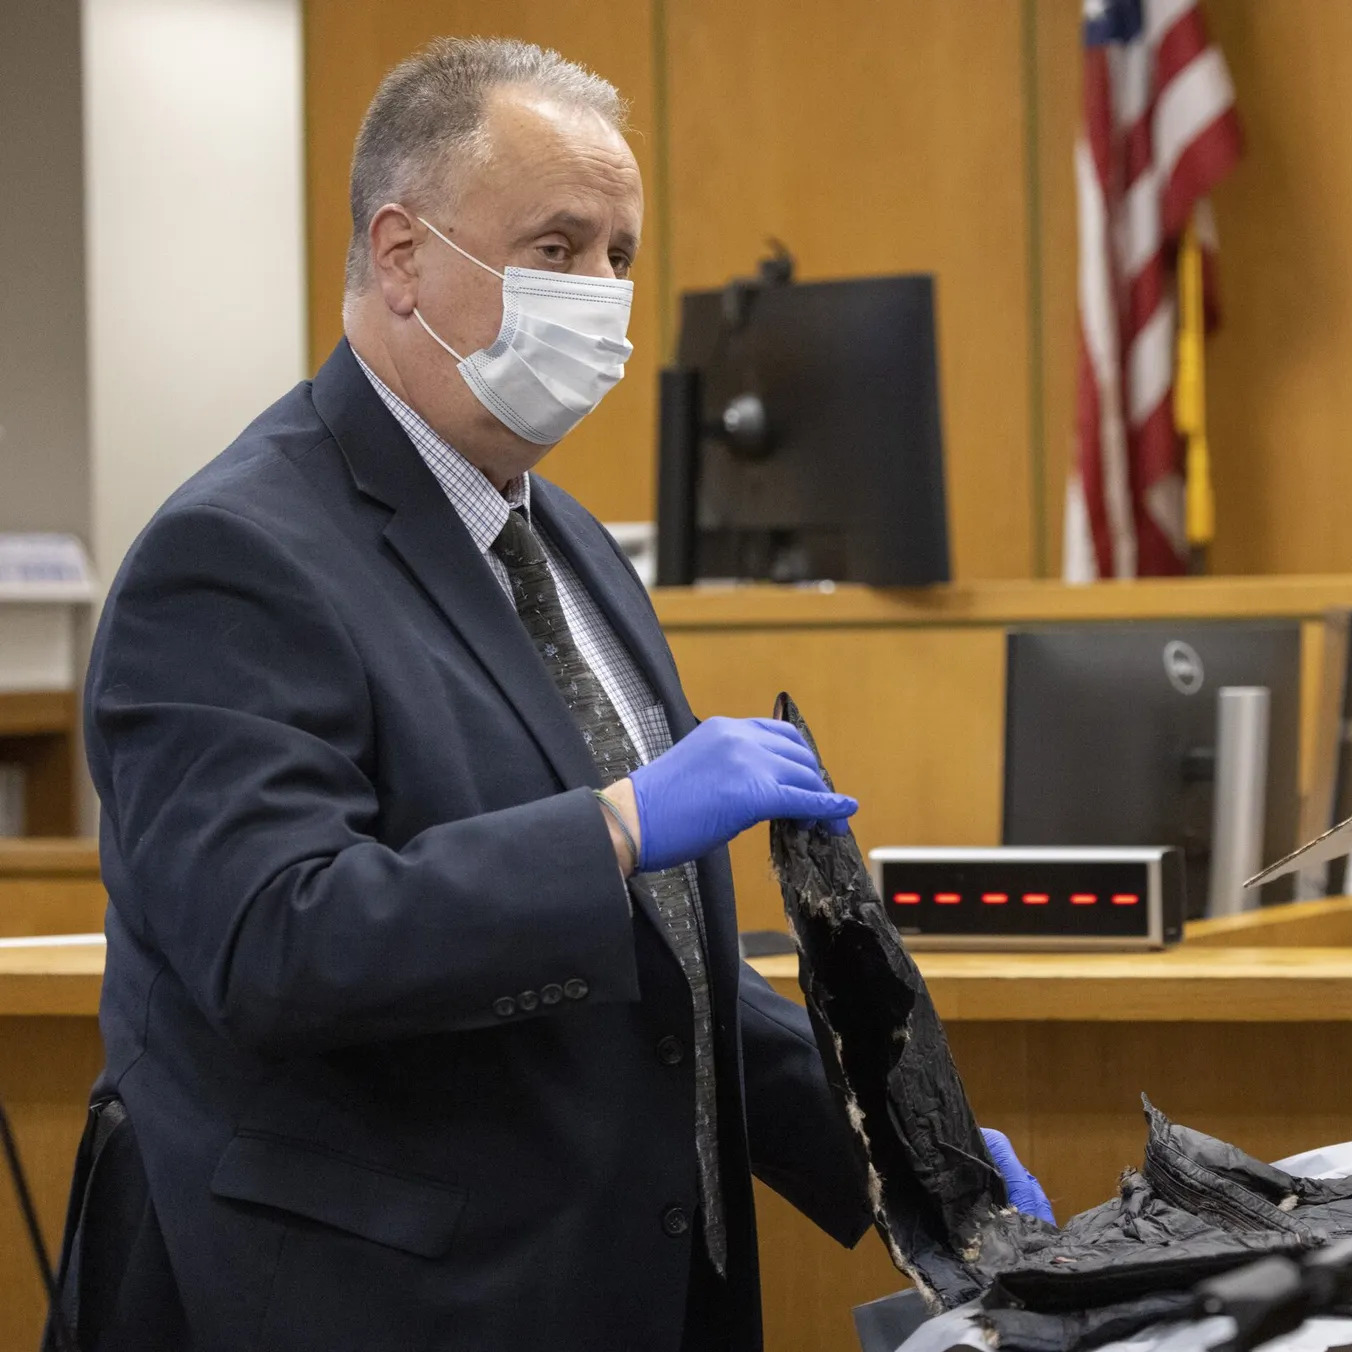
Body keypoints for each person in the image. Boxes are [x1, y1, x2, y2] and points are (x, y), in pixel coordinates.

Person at [67, 38, 1046, 1352]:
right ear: (401, 257)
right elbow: (277, 942)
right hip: (391, 1305)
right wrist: (618, 825)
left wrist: (910, 1155)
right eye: (555, 247)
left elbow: (660, 965)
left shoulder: (570, 541)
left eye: (619, 255)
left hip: (638, 1290)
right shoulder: (233, 556)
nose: (601, 296)